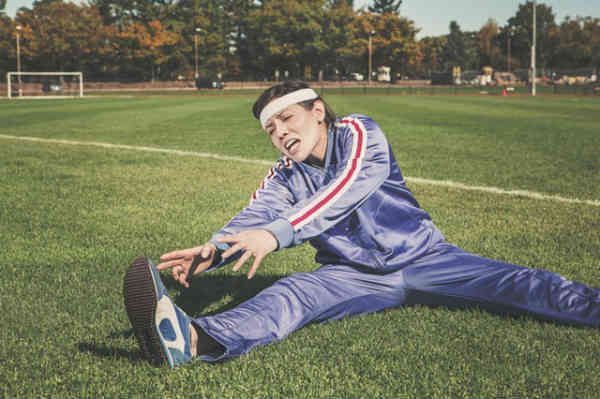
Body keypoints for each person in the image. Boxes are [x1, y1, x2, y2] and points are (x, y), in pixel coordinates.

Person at [123, 81, 600, 367]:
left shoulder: (358, 132)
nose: (281, 133)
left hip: (427, 258)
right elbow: (254, 217)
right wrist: (214, 250)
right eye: (271, 130)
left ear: (317, 111)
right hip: (349, 275)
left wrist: (276, 234)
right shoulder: (284, 176)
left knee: (520, 285)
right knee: (288, 296)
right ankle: (190, 339)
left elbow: (348, 188)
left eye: (287, 119)